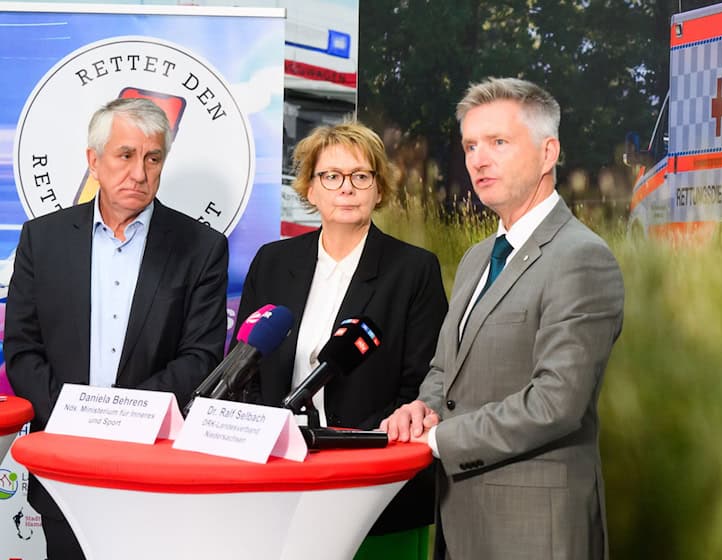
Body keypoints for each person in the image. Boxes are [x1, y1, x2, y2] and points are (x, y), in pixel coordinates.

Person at [381, 77, 626, 559]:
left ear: (548, 152)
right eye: (471, 145)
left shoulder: (581, 258)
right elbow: (445, 370)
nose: (478, 159)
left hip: (534, 533)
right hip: (459, 522)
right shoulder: (477, 258)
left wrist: (437, 439)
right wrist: (422, 410)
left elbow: (556, 402)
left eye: (498, 142)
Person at [4, 97, 229, 560]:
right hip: (62, 464)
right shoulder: (41, 239)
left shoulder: (201, 247)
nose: (140, 173)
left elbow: (200, 357)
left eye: (153, 158)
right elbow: (23, 348)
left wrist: (126, 420)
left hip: (156, 468)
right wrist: (71, 418)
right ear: (94, 161)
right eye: (125, 155)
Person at [234, 122, 447, 558]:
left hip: (372, 483)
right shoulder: (273, 262)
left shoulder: (413, 270)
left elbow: (420, 386)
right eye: (331, 176)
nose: (346, 188)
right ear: (310, 190)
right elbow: (246, 372)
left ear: (378, 189)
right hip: (276, 478)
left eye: (360, 176)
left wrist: (359, 448)